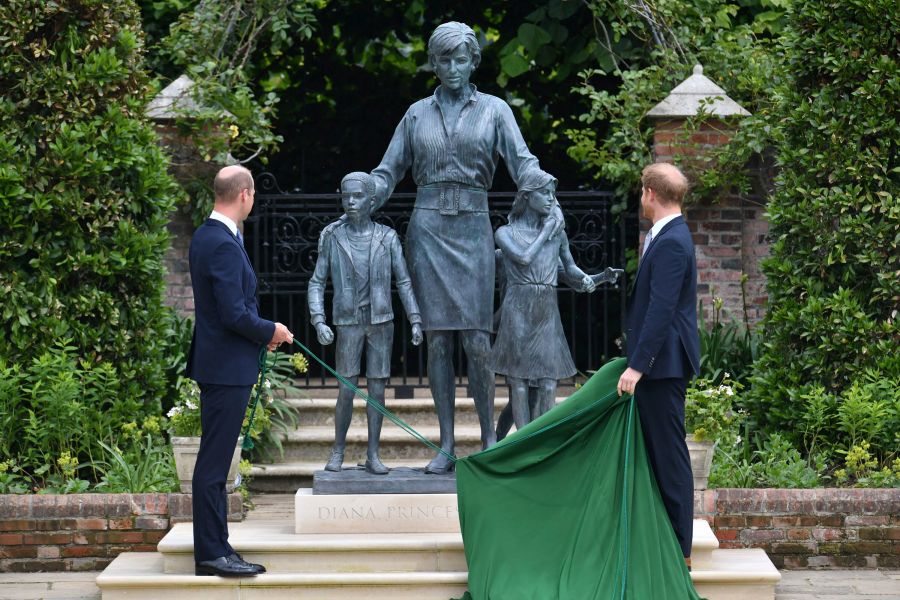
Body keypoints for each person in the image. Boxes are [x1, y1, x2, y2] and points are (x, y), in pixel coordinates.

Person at [368, 22, 559, 474]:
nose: (453, 67)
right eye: (444, 59)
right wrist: (363, 196)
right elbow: (388, 170)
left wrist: (547, 196)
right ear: (433, 64)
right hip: (428, 231)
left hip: (473, 230)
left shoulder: (495, 111)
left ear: (474, 62)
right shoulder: (416, 114)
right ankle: (447, 443)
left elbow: (522, 162)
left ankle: (490, 438)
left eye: (461, 59)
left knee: (476, 339)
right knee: (437, 342)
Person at [186, 165, 293, 577]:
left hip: (223, 362)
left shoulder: (206, 236)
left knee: (214, 463)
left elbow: (225, 311)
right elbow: (233, 313)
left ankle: (218, 548)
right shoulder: (223, 244)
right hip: (226, 368)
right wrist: (273, 330)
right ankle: (212, 554)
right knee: (214, 465)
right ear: (244, 195)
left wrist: (259, 336)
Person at [308, 172, 423, 475]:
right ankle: (338, 450)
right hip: (348, 322)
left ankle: (373, 454)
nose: (351, 202)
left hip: (381, 321)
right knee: (346, 389)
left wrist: (415, 319)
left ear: (372, 201)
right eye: (346, 196)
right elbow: (317, 283)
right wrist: (318, 320)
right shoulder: (333, 237)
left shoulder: (387, 237)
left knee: (377, 390)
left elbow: (404, 281)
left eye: (357, 196)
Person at [616, 162, 700, 569]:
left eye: (640, 191)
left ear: (650, 193)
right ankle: (665, 544)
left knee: (669, 457)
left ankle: (680, 553)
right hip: (660, 364)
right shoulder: (666, 235)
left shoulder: (671, 241)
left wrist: (637, 366)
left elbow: (661, 310)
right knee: (659, 454)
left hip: (662, 367)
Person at [489, 170, 596, 430]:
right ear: (526, 196)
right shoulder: (505, 233)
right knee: (519, 382)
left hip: (546, 308)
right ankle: (522, 443)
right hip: (518, 305)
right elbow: (524, 259)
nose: (551, 199)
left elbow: (570, 269)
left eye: (552, 194)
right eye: (544, 193)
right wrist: (547, 230)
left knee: (549, 381)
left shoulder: (557, 235)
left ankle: (542, 439)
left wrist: (595, 278)